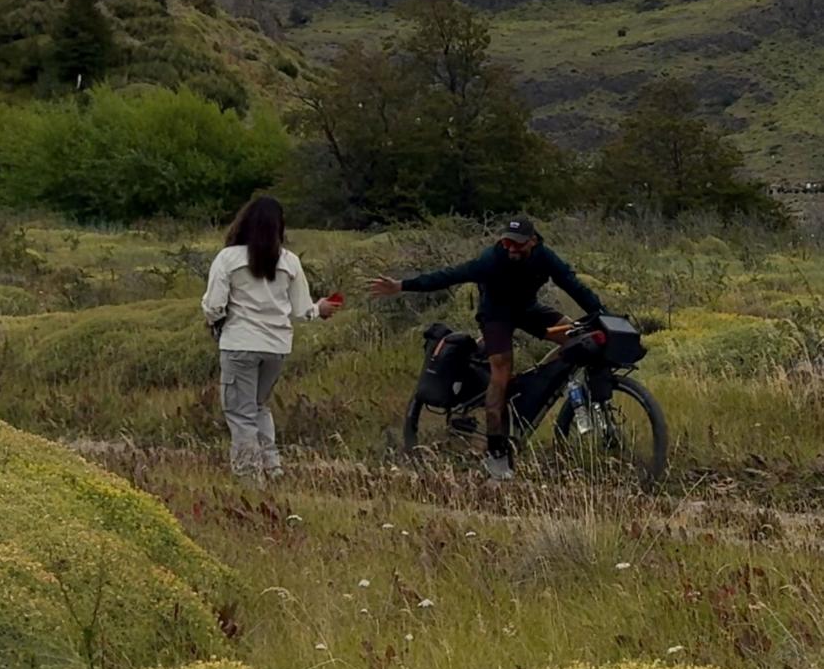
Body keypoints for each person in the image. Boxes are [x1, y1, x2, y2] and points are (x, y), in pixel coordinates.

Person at [369, 215, 603, 481]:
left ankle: (534, 386)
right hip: (496, 315)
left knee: (577, 336)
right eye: (507, 242)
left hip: (527, 310)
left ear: (534, 241)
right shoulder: (491, 259)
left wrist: (603, 314)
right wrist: (402, 285)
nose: (512, 249)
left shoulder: (545, 257)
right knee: (501, 373)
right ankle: (496, 454)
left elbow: (573, 285)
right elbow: (450, 276)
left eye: (519, 244)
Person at [203, 196, 338, 479]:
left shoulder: (228, 258)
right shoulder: (290, 261)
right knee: (258, 406)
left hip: (239, 343)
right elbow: (303, 311)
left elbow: (214, 305)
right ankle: (272, 468)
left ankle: (250, 477)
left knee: (240, 414)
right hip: (276, 347)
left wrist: (215, 322)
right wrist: (321, 308)